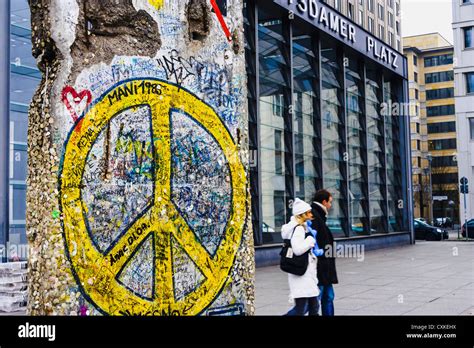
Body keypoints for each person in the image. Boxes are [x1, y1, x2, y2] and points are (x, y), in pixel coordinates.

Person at [280, 198, 319, 316]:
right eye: (309, 212)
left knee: (313, 306)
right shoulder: (299, 229)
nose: (311, 214)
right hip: (302, 275)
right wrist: (310, 240)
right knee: (301, 309)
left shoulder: (300, 227)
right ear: (302, 214)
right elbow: (297, 250)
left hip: (303, 274)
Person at [312, 189, 338, 316]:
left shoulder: (319, 215)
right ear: (324, 201)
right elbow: (314, 242)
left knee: (328, 296)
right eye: (330, 202)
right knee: (319, 298)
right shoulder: (315, 216)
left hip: (324, 266)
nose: (330, 205)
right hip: (320, 266)